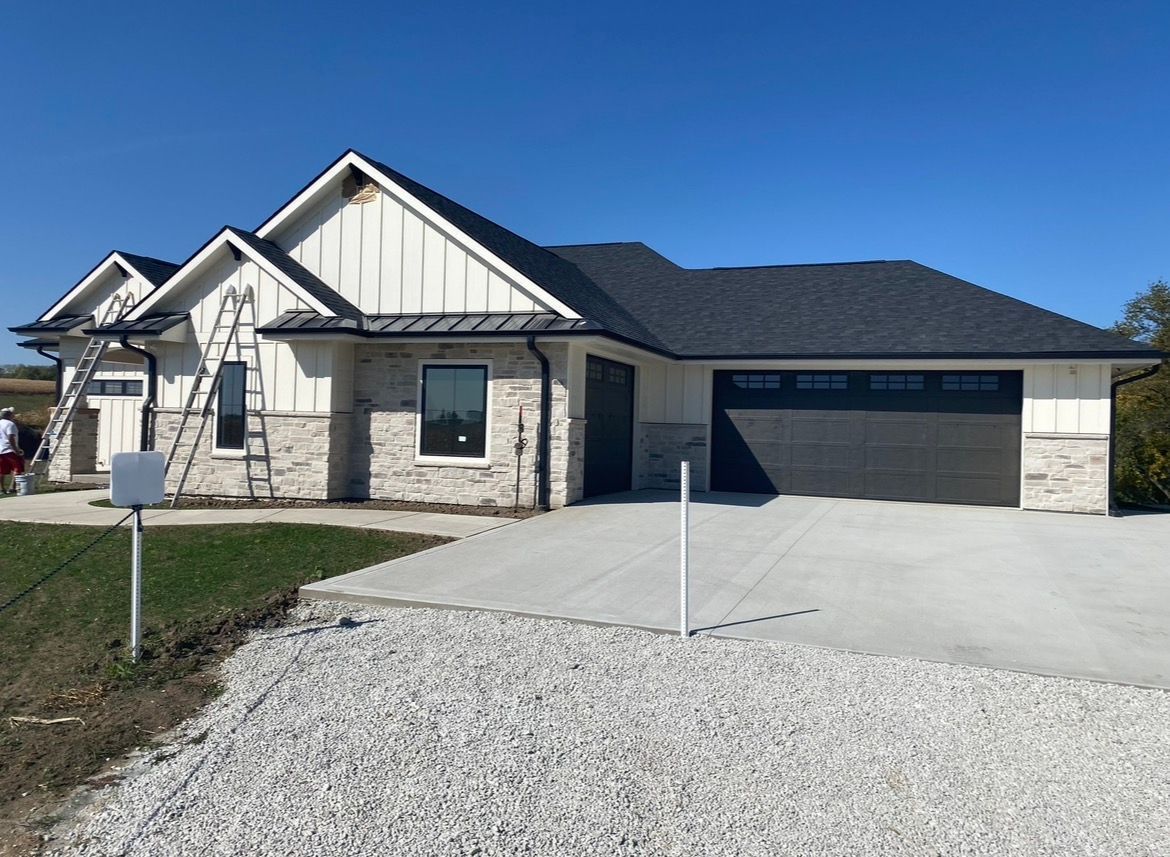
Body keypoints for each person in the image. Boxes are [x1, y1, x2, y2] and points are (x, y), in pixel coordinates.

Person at [0, 407, 24, 494]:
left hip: (1, 450)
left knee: (1, 471)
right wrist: (16, 450)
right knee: (17, 469)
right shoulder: (10, 424)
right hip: (10, 450)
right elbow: (11, 437)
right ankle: (12, 488)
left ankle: (2, 489)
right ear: (9, 415)